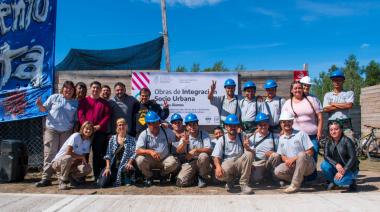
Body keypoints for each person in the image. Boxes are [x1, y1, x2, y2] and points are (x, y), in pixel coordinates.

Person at [35, 81, 78, 187]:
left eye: (71, 89)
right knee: (49, 154)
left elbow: (76, 119)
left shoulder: (76, 102)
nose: (68, 90)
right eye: (66, 88)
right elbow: (44, 109)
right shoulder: (54, 97)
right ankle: (46, 178)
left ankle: (62, 179)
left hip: (66, 131)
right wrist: (40, 105)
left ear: (74, 91)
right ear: (62, 89)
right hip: (52, 130)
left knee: (63, 155)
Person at [274, 112, 316, 193]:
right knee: (277, 171)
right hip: (292, 165)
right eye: (284, 122)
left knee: (301, 154)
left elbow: (311, 151)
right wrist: (287, 160)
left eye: (289, 121)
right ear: (280, 124)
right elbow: (282, 155)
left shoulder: (301, 134)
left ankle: (295, 185)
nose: (286, 124)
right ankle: (300, 180)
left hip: (307, 165)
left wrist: (294, 159)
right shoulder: (281, 138)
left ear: (292, 122)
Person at [212, 114, 254, 194]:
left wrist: (247, 148)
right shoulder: (222, 139)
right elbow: (216, 156)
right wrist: (218, 167)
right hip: (228, 163)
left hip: (240, 162)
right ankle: (230, 180)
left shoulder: (243, 136)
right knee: (219, 175)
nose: (233, 128)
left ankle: (244, 184)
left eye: (235, 125)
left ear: (238, 126)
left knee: (249, 154)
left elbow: (252, 153)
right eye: (230, 126)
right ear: (226, 127)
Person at [282, 81, 323, 163]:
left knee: (312, 157)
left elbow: (320, 117)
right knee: (298, 158)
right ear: (291, 90)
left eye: (299, 88)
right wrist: (283, 131)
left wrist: (319, 131)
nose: (298, 90)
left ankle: (312, 176)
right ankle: (300, 175)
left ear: (302, 89)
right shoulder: (287, 103)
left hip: (312, 136)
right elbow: (283, 120)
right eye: (295, 88)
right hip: (295, 136)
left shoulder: (312, 100)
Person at [78, 81, 111, 180]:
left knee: (98, 154)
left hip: (99, 132)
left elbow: (107, 115)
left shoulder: (105, 103)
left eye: (97, 88)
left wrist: (99, 126)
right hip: (86, 133)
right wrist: (86, 126)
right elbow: (80, 114)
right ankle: (81, 175)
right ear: (90, 88)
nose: (95, 90)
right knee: (84, 153)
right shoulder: (84, 101)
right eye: (94, 88)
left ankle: (97, 175)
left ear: (100, 90)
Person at [135, 111, 179, 187]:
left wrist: (170, 127)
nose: (155, 125)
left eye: (156, 122)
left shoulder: (165, 130)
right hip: (150, 160)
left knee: (174, 163)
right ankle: (149, 177)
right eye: (152, 123)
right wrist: (150, 151)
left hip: (164, 158)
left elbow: (176, 138)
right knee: (139, 160)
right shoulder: (144, 134)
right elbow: (138, 150)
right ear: (148, 124)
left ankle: (162, 175)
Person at [51, 121, 94, 190]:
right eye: (86, 128)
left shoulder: (88, 142)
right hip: (58, 162)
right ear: (82, 128)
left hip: (71, 163)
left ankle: (71, 177)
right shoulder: (76, 136)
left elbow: (81, 158)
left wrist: (80, 161)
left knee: (87, 168)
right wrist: (81, 157)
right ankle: (62, 182)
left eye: (90, 129)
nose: (88, 131)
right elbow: (68, 152)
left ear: (92, 131)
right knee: (68, 157)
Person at [98, 118, 137, 188]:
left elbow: (134, 153)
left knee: (128, 169)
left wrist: (130, 163)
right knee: (102, 184)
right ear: (117, 127)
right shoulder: (112, 139)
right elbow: (108, 154)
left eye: (123, 125)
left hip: (125, 167)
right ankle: (114, 178)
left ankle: (124, 178)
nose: (121, 127)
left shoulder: (132, 139)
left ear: (126, 126)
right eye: (119, 125)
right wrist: (107, 167)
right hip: (113, 166)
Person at [320, 121, 359, 191]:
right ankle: (333, 182)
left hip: (349, 168)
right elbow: (326, 156)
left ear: (341, 130)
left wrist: (344, 169)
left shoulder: (347, 141)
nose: (333, 132)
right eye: (331, 130)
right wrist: (336, 164)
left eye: (336, 129)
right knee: (324, 165)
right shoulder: (328, 141)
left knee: (340, 181)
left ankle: (352, 181)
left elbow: (353, 158)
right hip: (337, 167)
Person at [176, 113, 212, 188]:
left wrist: (196, 150)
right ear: (186, 126)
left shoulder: (204, 134)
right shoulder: (185, 136)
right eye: (190, 125)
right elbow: (178, 151)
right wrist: (184, 143)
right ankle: (195, 178)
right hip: (191, 162)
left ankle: (202, 177)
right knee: (180, 182)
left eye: (194, 124)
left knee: (203, 156)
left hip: (202, 162)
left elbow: (209, 150)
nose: (192, 127)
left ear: (197, 125)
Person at [243, 113, 281, 183]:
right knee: (255, 179)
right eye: (260, 125)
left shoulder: (275, 137)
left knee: (276, 155)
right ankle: (266, 176)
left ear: (268, 125)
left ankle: (276, 178)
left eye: (265, 124)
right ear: (257, 126)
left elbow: (280, 152)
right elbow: (250, 153)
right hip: (258, 161)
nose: (263, 127)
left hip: (271, 161)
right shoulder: (252, 138)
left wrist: (272, 153)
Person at [323, 70, 355, 140]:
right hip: (332, 122)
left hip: (345, 122)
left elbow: (349, 106)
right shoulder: (327, 95)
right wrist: (343, 105)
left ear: (343, 81)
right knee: (332, 144)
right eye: (334, 80)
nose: (336, 82)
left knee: (349, 142)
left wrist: (333, 104)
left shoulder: (349, 93)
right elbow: (325, 109)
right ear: (332, 81)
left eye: (339, 80)